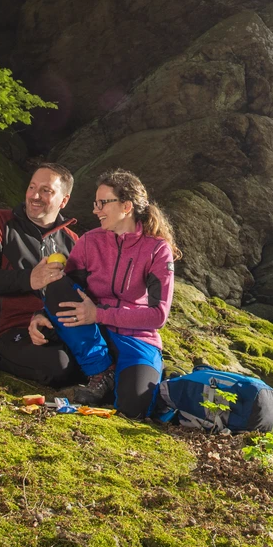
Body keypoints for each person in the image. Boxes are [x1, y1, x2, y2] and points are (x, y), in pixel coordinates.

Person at [36, 168, 177, 418]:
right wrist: (39, 314)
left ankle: (129, 378)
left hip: (136, 338)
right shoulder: (89, 241)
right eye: (95, 203)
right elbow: (65, 292)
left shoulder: (157, 249)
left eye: (102, 203)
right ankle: (101, 372)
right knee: (56, 282)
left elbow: (158, 316)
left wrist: (99, 314)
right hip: (93, 335)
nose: (95, 210)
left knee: (133, 408)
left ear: (126, 206)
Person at [0, 163, 80, 386]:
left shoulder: (73, 241)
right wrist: (30, 279)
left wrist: (45, 316)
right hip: (7, 335)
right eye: (32, 187)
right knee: (60, 365)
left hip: (57, 329)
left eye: (46, 190)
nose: (35, 196)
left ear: (64, 200)